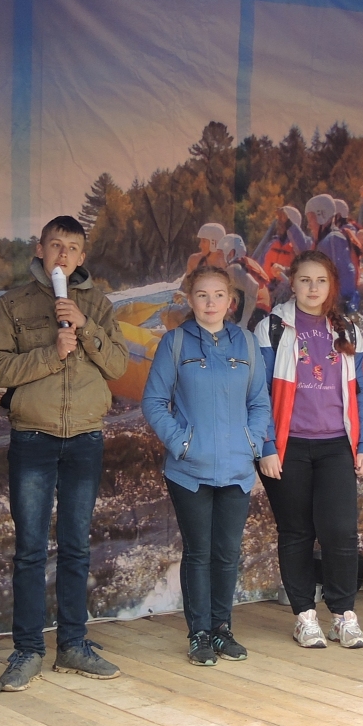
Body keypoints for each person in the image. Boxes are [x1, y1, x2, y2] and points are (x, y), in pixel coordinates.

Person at [0, 216, 129, 689]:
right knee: (29, 548)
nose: (62, 255)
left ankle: (72, 644)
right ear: (40, 250)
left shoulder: (98, 304)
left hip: (85, 437)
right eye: (55, 245)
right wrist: (52, 352)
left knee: (76, 546)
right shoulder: (13, 303)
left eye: (71, 247)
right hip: (33, 437)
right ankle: (27, 650)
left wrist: (85, 327)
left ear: (82, 257)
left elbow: (118, 364)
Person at [142, 265, 274, 665]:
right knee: (199, 552)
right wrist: (182, 443)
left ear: (230, 301)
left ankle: (221, 630)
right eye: (202, 295)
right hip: (189, 470)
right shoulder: (176, 342)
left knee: (227, 553)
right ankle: (198, 633)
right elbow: (154, 401)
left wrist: (251, 443)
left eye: (218, 295)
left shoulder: (246, 343)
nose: (211, 302)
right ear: (190, 299)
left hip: (237, 468)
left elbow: (259, 402)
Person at [255, 251, 363, 649]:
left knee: (340, 531)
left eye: (321, 280)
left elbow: (360, 393)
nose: (313, 288)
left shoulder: (348, 330)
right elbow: (257, 393)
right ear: (292, 283)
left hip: (336, 444)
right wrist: (266, 445)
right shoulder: (272, 328)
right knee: (296, 531)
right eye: (305, 280)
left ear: (331, 285)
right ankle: (304, 616)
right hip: (287, 445)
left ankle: (343, 615)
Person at [308, 194, 361, 310]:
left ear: (321, 216)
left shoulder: (333, 240)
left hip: (342, 305)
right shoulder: (326, 240)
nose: (308, 225)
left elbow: (335, 276)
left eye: (311, 219)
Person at [254, 205, 309, 285]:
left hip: (286, 290)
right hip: (266, 288)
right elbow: (258, 265)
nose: (278, 226)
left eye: (282, 223)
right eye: (278, 222)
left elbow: (304, 249)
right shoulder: (271, 244)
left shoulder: (299, 246)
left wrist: (289, 225)